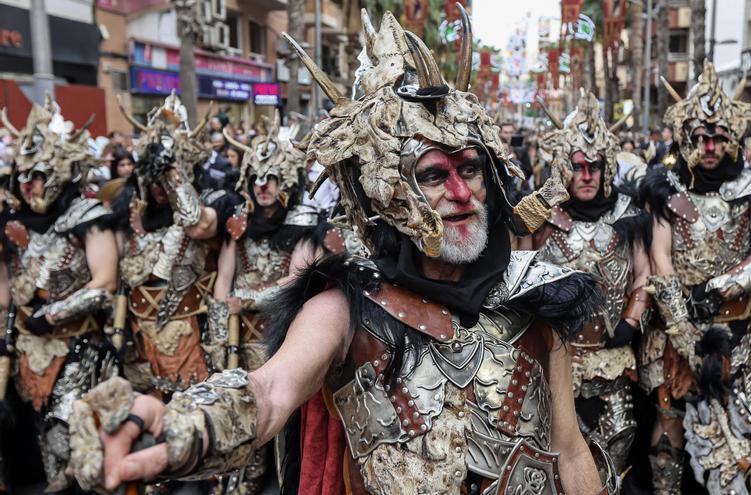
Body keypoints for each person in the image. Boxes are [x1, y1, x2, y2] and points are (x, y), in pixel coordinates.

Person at [67, 10, 604, 495]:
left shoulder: (536, 291)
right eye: (434, 177)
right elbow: (270, 392)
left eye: (469, 169)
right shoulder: (349, 307)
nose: (461, 195)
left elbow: (570, 449)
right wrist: (177, 426)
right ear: (387, 193)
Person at [639, 62, 751, 494]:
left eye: (718, 137)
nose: (708, 145)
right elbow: (660, 258)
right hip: (677, 328)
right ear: (686, 140)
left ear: (731, 140)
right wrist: (683, 326)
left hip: (735, 332)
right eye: (700, 137)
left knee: (736, 427)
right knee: (669, 430)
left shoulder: (749, 188)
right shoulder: (666, 189)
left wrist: (720, 285)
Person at [532, 89, 653, 487]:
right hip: (554, 363)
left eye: (595, 167)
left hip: (611, 361)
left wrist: (632, 323)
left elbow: (643, 277)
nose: (587, 176)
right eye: (578, 166)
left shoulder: (627, 216)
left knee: (618, 444)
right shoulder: (542, 219)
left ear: (606, 169)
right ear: (564, 168)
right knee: (556, 460)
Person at [0, 95, 119, 492]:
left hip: (77, 346)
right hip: (25, 353)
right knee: (34, 441)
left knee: (69, 439)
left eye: (37, 174)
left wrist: (50, 315)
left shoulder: (87, 216)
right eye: (23, 175)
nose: (27, 183)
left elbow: (104, 285)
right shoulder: (15, 221)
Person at [213, 111, 329, 495]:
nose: (262, 186)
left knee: (280, 413)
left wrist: (243, 300)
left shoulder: (304, 220)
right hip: (235, 337)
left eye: (271, 178)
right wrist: (217, 341)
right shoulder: (238, 221)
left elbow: (296, 280)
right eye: (256, 179)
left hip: (280, 337)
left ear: (286, 180)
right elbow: (222, 279)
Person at [112, 93, 220, 399]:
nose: (160, 188)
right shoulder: (132, 213)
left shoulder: (210, 204)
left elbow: (195, 222)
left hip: (190, 336)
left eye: (165, 181)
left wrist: (172, 171)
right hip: (141, 341)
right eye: (153, 180)